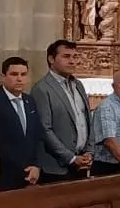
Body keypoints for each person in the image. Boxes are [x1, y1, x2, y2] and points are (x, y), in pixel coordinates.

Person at [30, 39, 94, 182]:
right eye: (66, 56)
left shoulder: (78, 85)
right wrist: (70, 158)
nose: (72, 61)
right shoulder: (42, 88)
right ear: (51, 59)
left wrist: (89, 151)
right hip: (57, 166)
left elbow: (87, 120)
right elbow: (45, 129)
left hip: (81, 162)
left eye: (75, 57)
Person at [0, 56, 42, 190]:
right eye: (14, 74)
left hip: (31, 174)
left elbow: (36, 136)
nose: (19, 79)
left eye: (23, 74)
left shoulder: (30, 101)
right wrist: (21, 168)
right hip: (5, 175)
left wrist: (36, 166)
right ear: (3, 76)